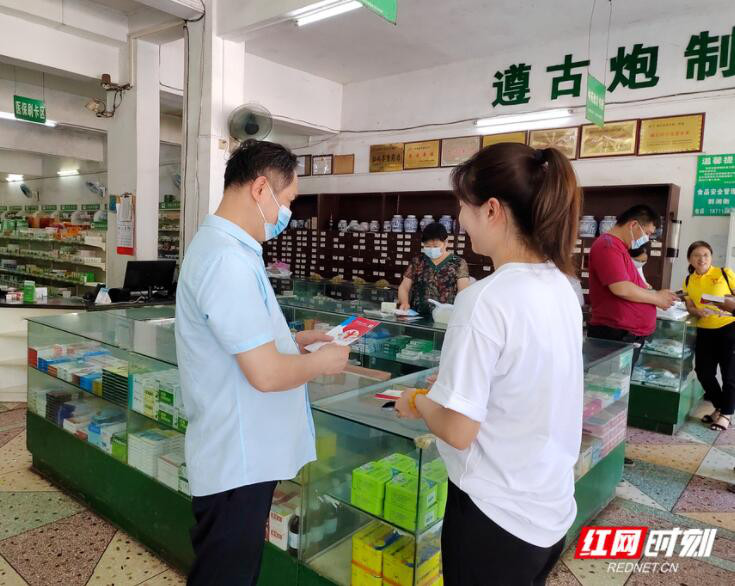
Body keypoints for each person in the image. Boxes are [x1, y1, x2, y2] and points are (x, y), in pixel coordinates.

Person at [395, 143, 583, 585]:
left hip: (493, 516)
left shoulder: (484, 300)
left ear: (492, 210)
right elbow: (523, 382)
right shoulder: (562, 285)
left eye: (463, 206)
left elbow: (459, 430)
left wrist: (418, 402)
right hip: (549, 509)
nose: (459, 219)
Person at [175, 140, 350, 586]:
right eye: (287, 201)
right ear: (259, 189)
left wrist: (292, 341)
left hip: (242, 454)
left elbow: (240, 341)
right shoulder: (227, 260)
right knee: (226, 577)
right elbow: (267, 374)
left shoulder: (229, 249)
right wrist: (322, 362)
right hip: (237, 458)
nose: (286, 214)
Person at [587, 205, 677, 365]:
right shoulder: (607, 245)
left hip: (624, 335)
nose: (647, 239)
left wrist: (657, 295)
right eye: (647, 233)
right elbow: (621, 287)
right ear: (633, 225)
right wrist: (657, 298)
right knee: (612, 380)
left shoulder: (619, 247)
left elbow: (630, 285)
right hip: (615, 334)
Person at [682, 241, 735, 432]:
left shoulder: (724, 273)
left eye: (705, 254)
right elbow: (689, 304)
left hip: (729, 328)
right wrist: (696, 311)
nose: (701, 259)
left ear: (711, 257)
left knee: (730, 374)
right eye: (696, 255)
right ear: (690, 259)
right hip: (704, 331)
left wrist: (726, 304)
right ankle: (720, 406)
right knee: (703, 372)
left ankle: (726, 414)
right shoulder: (688, 280)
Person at [397, 222, 470, 316]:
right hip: (417, 317)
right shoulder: (417, 261)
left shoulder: (458, 263)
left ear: (446, 243)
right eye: (427, 246)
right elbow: (404, 287)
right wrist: (404, 302)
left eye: (435, 246)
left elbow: (463, 293)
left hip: (445, 317)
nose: (431, 249)